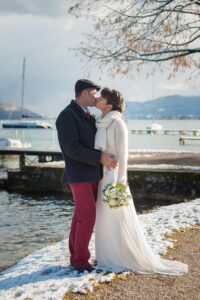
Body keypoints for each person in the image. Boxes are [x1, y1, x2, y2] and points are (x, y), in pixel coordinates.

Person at [94, 87, 188, 275]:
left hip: (114, 178)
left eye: (101, 97)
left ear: (109, 105)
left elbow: (124, 155)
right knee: (104, 217)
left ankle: (121, 255)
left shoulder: (118, 124)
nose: (97, 98)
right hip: (102, 175)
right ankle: (106, 255)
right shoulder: (100, 122)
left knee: (117, 217)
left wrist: (121, 182)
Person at [56, 80, 118, 273]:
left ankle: (76, 255)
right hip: (79, 174)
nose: (96, 97)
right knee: (87, 216)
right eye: (93, 93)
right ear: (84, 93)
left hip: (92, 173)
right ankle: (81, 262)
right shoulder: (66, 116)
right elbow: (72, 149)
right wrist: (100, 158)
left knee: (80, 215)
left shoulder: (87, 114)